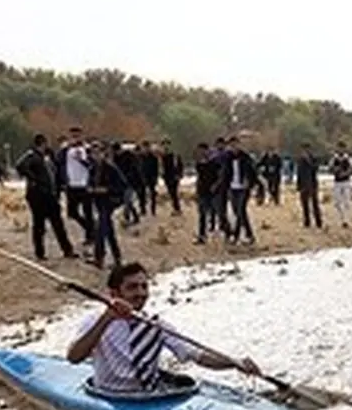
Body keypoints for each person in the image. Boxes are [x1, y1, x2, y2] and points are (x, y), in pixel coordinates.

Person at [66, 262, 261, 393]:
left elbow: (196, 354)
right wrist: (107, 319)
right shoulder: (94, 321)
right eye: (132, 287)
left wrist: (234, 362)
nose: (141, 293)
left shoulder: (155, 325)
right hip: (109, 395)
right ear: (114, 293)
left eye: (144, 286)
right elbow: (74, 357)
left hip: (149, 394)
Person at [16, 134, 76, 260]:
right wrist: (34, 179)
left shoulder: (47, 156)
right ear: (42, 143)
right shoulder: (31, 156)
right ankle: (40, 252)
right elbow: (20, 166)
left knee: (58, 224)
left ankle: (67, 250)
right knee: (39, 225)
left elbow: (54, 172)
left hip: (50, 195)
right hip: (38, 196)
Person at [86, 142, 126, 270]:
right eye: (93, 153)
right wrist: (91, 190)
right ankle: (117, 257)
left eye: (98, 153)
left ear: (104, 154)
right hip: (98, 202)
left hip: (109, 202)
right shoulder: (92, 169)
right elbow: (89, 184)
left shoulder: (111, 168)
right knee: (108, 231)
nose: (96, 155)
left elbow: (122, 185)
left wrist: (106, 189)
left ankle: (99, 258)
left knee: (100, 229)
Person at [63, 127, 95, 244]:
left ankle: (90, 236)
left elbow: (92, 165)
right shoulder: (66, 149)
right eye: (73, 136)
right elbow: (59, 163)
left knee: (88, 212)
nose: (75, 139)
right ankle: (89, 228)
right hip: (71, 185)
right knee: (72, 212)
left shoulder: (87, 149)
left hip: (84, 184)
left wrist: (81, 159)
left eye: (77, 136)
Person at [224, 136, 257, 243]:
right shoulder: (228, 157)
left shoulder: (246, 157)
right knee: (238, 211)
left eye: (235, 145)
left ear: (239, 144)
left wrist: (250, 183)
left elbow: (253, 171)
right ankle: (249, 234)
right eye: (231, 145)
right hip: (232, 188)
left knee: (240, 210)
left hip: (244, 188)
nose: (234, 147)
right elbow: (224, 173)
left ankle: (236, 235)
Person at [193, 143, 221, 244]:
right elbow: (199, 178)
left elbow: (219, 176)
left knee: (218, 213)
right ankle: (202, 236)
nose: (201, 153)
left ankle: (227, 231)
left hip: (213, 191)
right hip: (202, 191)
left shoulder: (214, 162)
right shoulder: (198, 164)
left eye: (202, 151)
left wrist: (216, 186)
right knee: (202, 214)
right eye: (199, 151)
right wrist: (196, 191)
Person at [329, 141, 352, 227]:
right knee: (337, 202)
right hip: (337, 182)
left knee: (347, 201)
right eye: (339, 148)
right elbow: (330, 169)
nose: (340, 150)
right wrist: (335, 170)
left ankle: (346, 220)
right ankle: (342, 218)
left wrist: (346, 173)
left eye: (342, 148)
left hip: (346, 182)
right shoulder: (334, 158)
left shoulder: (348, 158)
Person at [296, 143, 323, 229]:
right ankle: (307, 221)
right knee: (304, 204)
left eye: (306, 149)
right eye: (303, 150)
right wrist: (298, 185)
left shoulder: (313, 158)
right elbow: (299, 173)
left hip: (312, 183)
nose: (305, 152)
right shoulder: (300, 160)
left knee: (315, 203)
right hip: (303, 184)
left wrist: (308, 161)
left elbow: (315, 168)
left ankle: (318, 222)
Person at [160, 139, 183, 216]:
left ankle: (177, 209)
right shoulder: (162, 156)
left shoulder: (175, 156)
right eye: (164, 145)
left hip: (174, 177)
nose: (166, 146)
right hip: (167, 177)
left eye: (167, 144)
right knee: (171, 193)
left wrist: (179, 175)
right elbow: (162, 167)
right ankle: (176, 208)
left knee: (174, 193)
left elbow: (180, 165)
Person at [138, 141, 159, 217]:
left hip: (151, 177)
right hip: (142, 177)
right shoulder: (140, 157)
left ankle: (153, 209)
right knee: (141, 194)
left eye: (146, 148)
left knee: (152, 194)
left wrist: (155, 178)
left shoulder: (153, 157)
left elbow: (156, 169)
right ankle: (142, 210)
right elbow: (138, 168)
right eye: (144, 148)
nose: (145, 149)